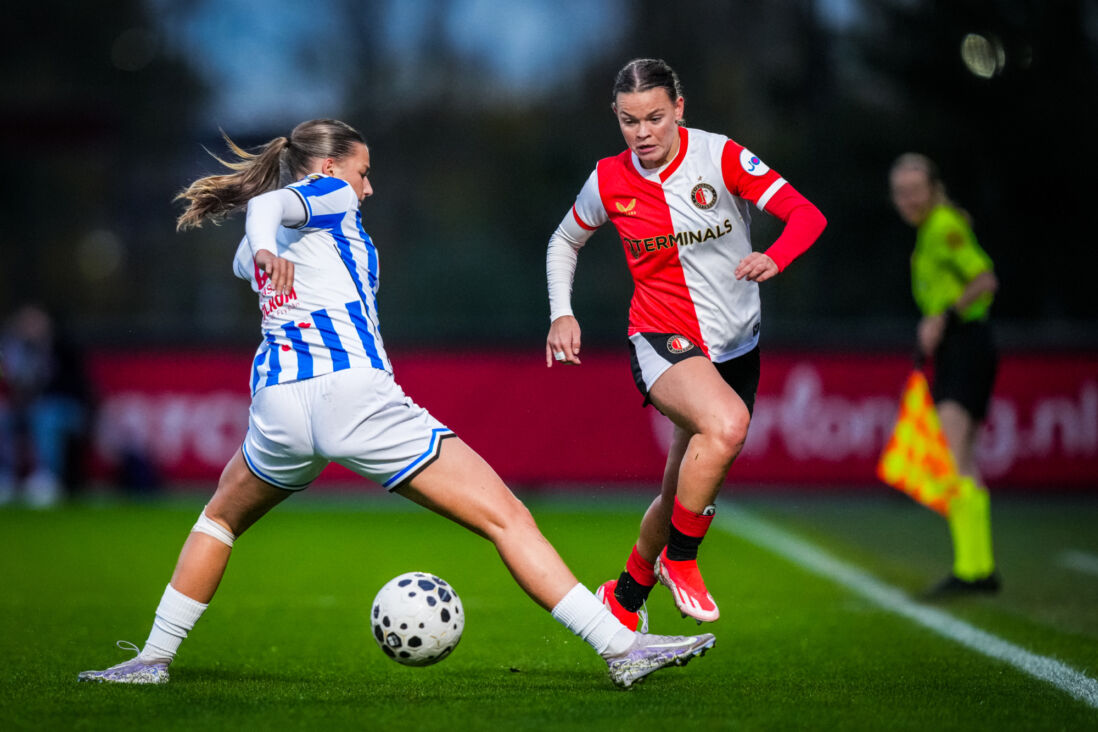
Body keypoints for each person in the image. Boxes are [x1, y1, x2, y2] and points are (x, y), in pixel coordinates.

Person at [77, 119, 714, 689]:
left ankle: (150, 661)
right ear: (329, 171)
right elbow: (271, 204)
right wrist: (271, 236)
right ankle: (621, 646)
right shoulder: (324, 196)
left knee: (219, 519)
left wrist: (266, 245)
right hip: (352, 393)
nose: (369, 188)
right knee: (507, 518)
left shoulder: (259, 244)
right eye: (363, 173)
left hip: (278, 406)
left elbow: (260, 230)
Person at [545, 60, 826, 630]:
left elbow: (806, 215)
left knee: (680, 488)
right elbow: (564, 241)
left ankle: (624, 597)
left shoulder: (719, 157)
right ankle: (681, 559)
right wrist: (562, 313)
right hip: (660, 335)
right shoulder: (608, 179)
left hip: (737, 345)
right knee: (726, 426)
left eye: (653, 117)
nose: (642, 132)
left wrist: (777, 256)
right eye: (628, 121)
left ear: (679, 108)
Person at [888, 152, 1000, 598]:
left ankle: (971, 570)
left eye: (915, 189)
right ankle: (979, 568)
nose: (908, 199)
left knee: (955, 458)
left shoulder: (942, 227)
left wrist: (944, 319)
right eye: (900, 192)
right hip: (962, 347)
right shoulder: (932, 229)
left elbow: (986, 280)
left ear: (933, 188)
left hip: (967, 346)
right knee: (964, 459)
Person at [0, 304, 91, 508]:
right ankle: (5, 476)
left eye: (36, 321)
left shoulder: (62, 348)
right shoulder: (12, 350)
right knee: (3, 416)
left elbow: (74, 390)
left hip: (66, 411)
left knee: (45, 416)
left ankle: (47, 477)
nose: (30, 327)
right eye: (25, 322)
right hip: (24, 410)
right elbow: (12, 385)